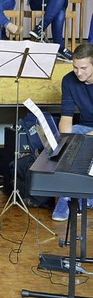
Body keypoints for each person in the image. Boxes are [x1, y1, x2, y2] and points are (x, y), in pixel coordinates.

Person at [52, 43, 93, 220]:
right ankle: (67, 198)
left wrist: (83, 140)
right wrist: (66, 141)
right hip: (84, 127)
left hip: (88, 132)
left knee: (81, 143)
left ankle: (79, 197)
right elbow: (66, 118)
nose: (78, 73)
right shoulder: (69, 80)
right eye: (75, 67)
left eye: (83, 68)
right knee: (67, 143)